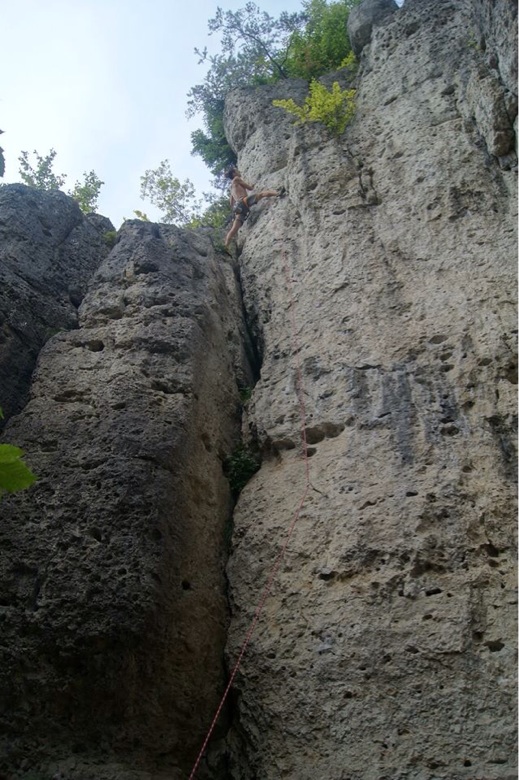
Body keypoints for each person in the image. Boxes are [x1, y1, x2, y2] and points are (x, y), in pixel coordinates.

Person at [224, 166, 283, 248]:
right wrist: (252, 185)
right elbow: (250, 188)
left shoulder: (231, 187)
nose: (239, 172)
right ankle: (278, 193)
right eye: (237, 171)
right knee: (262, 194)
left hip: (237, 207)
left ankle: (226, 246)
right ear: (234, 173)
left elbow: (231, 203)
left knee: (234, 229)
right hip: (243, 201)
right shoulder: (236, 179)